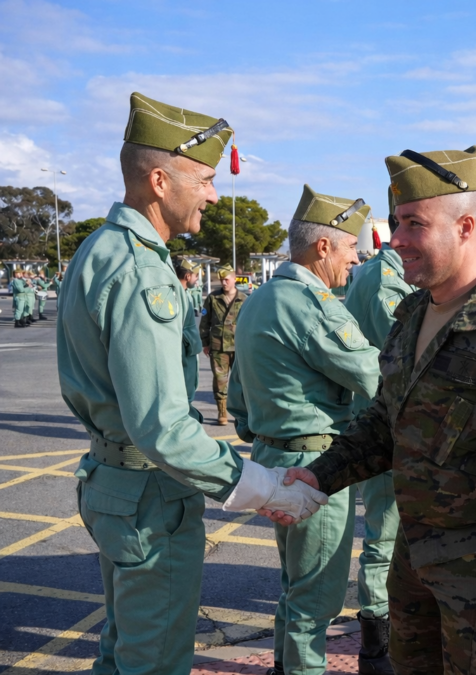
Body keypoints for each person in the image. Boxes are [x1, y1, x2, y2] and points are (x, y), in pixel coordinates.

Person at [269, 146, 476, 674]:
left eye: (414, 224)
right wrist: (318, 477)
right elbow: (385, 422)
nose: (396, 240)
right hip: (415, 566)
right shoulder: (414, 312)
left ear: (464, 227)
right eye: (397, 223)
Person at [55, 91, 327, 675]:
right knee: (154, 661)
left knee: (123, 648)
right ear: (159, 181)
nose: (213, 193)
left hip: (112, 482)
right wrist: (266, 488)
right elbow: (163, 428)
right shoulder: (140, 269)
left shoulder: (97, 249)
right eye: (203, 179)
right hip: (149, 497)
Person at [227, 184, 380, 675]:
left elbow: (237, 404)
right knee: (316, 602)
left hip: (273, 461)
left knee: (294, 588)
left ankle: (282, 666)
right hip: (314, 469)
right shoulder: (312, 304)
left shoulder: (259, 298)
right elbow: (373, 376)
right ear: (323, 247)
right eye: (352, 247)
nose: (357, 258)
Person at [340, 195, 415, 675]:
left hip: (375, 418)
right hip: (387, 422)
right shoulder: (387, 277)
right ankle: (376, 642)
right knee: (385, 534)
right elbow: (404, 349)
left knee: (388, 532)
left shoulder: (369, 272)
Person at [201, 263, 246, 425]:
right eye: (221, 280)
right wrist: (205, 343)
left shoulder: (244, 299)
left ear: (234, 279)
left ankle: (242, 412)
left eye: (226, 279)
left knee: (241, 380)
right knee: (220, 380)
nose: (223, 283)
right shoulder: (213, 298)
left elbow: (249, 324)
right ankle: (222, 412)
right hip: (218, 346)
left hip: (238, 346)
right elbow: (204, 323)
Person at [173, 258, 204, 402]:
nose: (196, 280)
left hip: (189, 350)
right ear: (187, 276)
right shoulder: (175, 296)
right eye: (196, 276)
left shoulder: (184, 294)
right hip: (184, 351)